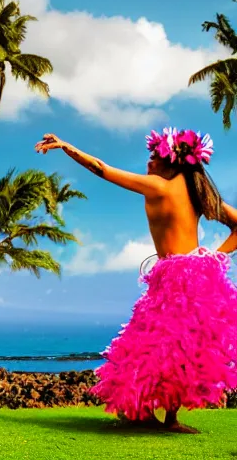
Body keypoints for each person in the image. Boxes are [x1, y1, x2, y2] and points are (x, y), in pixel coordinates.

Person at [35, 127, 237, 433]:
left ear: (173, 162)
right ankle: (163, 417)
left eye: (155, 157)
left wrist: (66, 147)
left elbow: (102, 169)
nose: (150, 161)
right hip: (198, 275)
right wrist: (213, 256)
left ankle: (146, 413)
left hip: (175, 277)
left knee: (150, 344)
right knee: (181, 348)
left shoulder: (159, 186)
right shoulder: (198, 193)